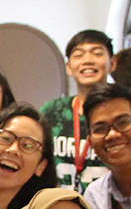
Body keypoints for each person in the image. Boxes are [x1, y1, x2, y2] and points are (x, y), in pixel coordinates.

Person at [40, 29, 116, 191]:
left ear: (112, 63)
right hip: (59, 206)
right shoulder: (52, 112)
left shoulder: (121, 113)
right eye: (79, 55)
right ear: (69, 67)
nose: (88, 61)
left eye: (97, 53)